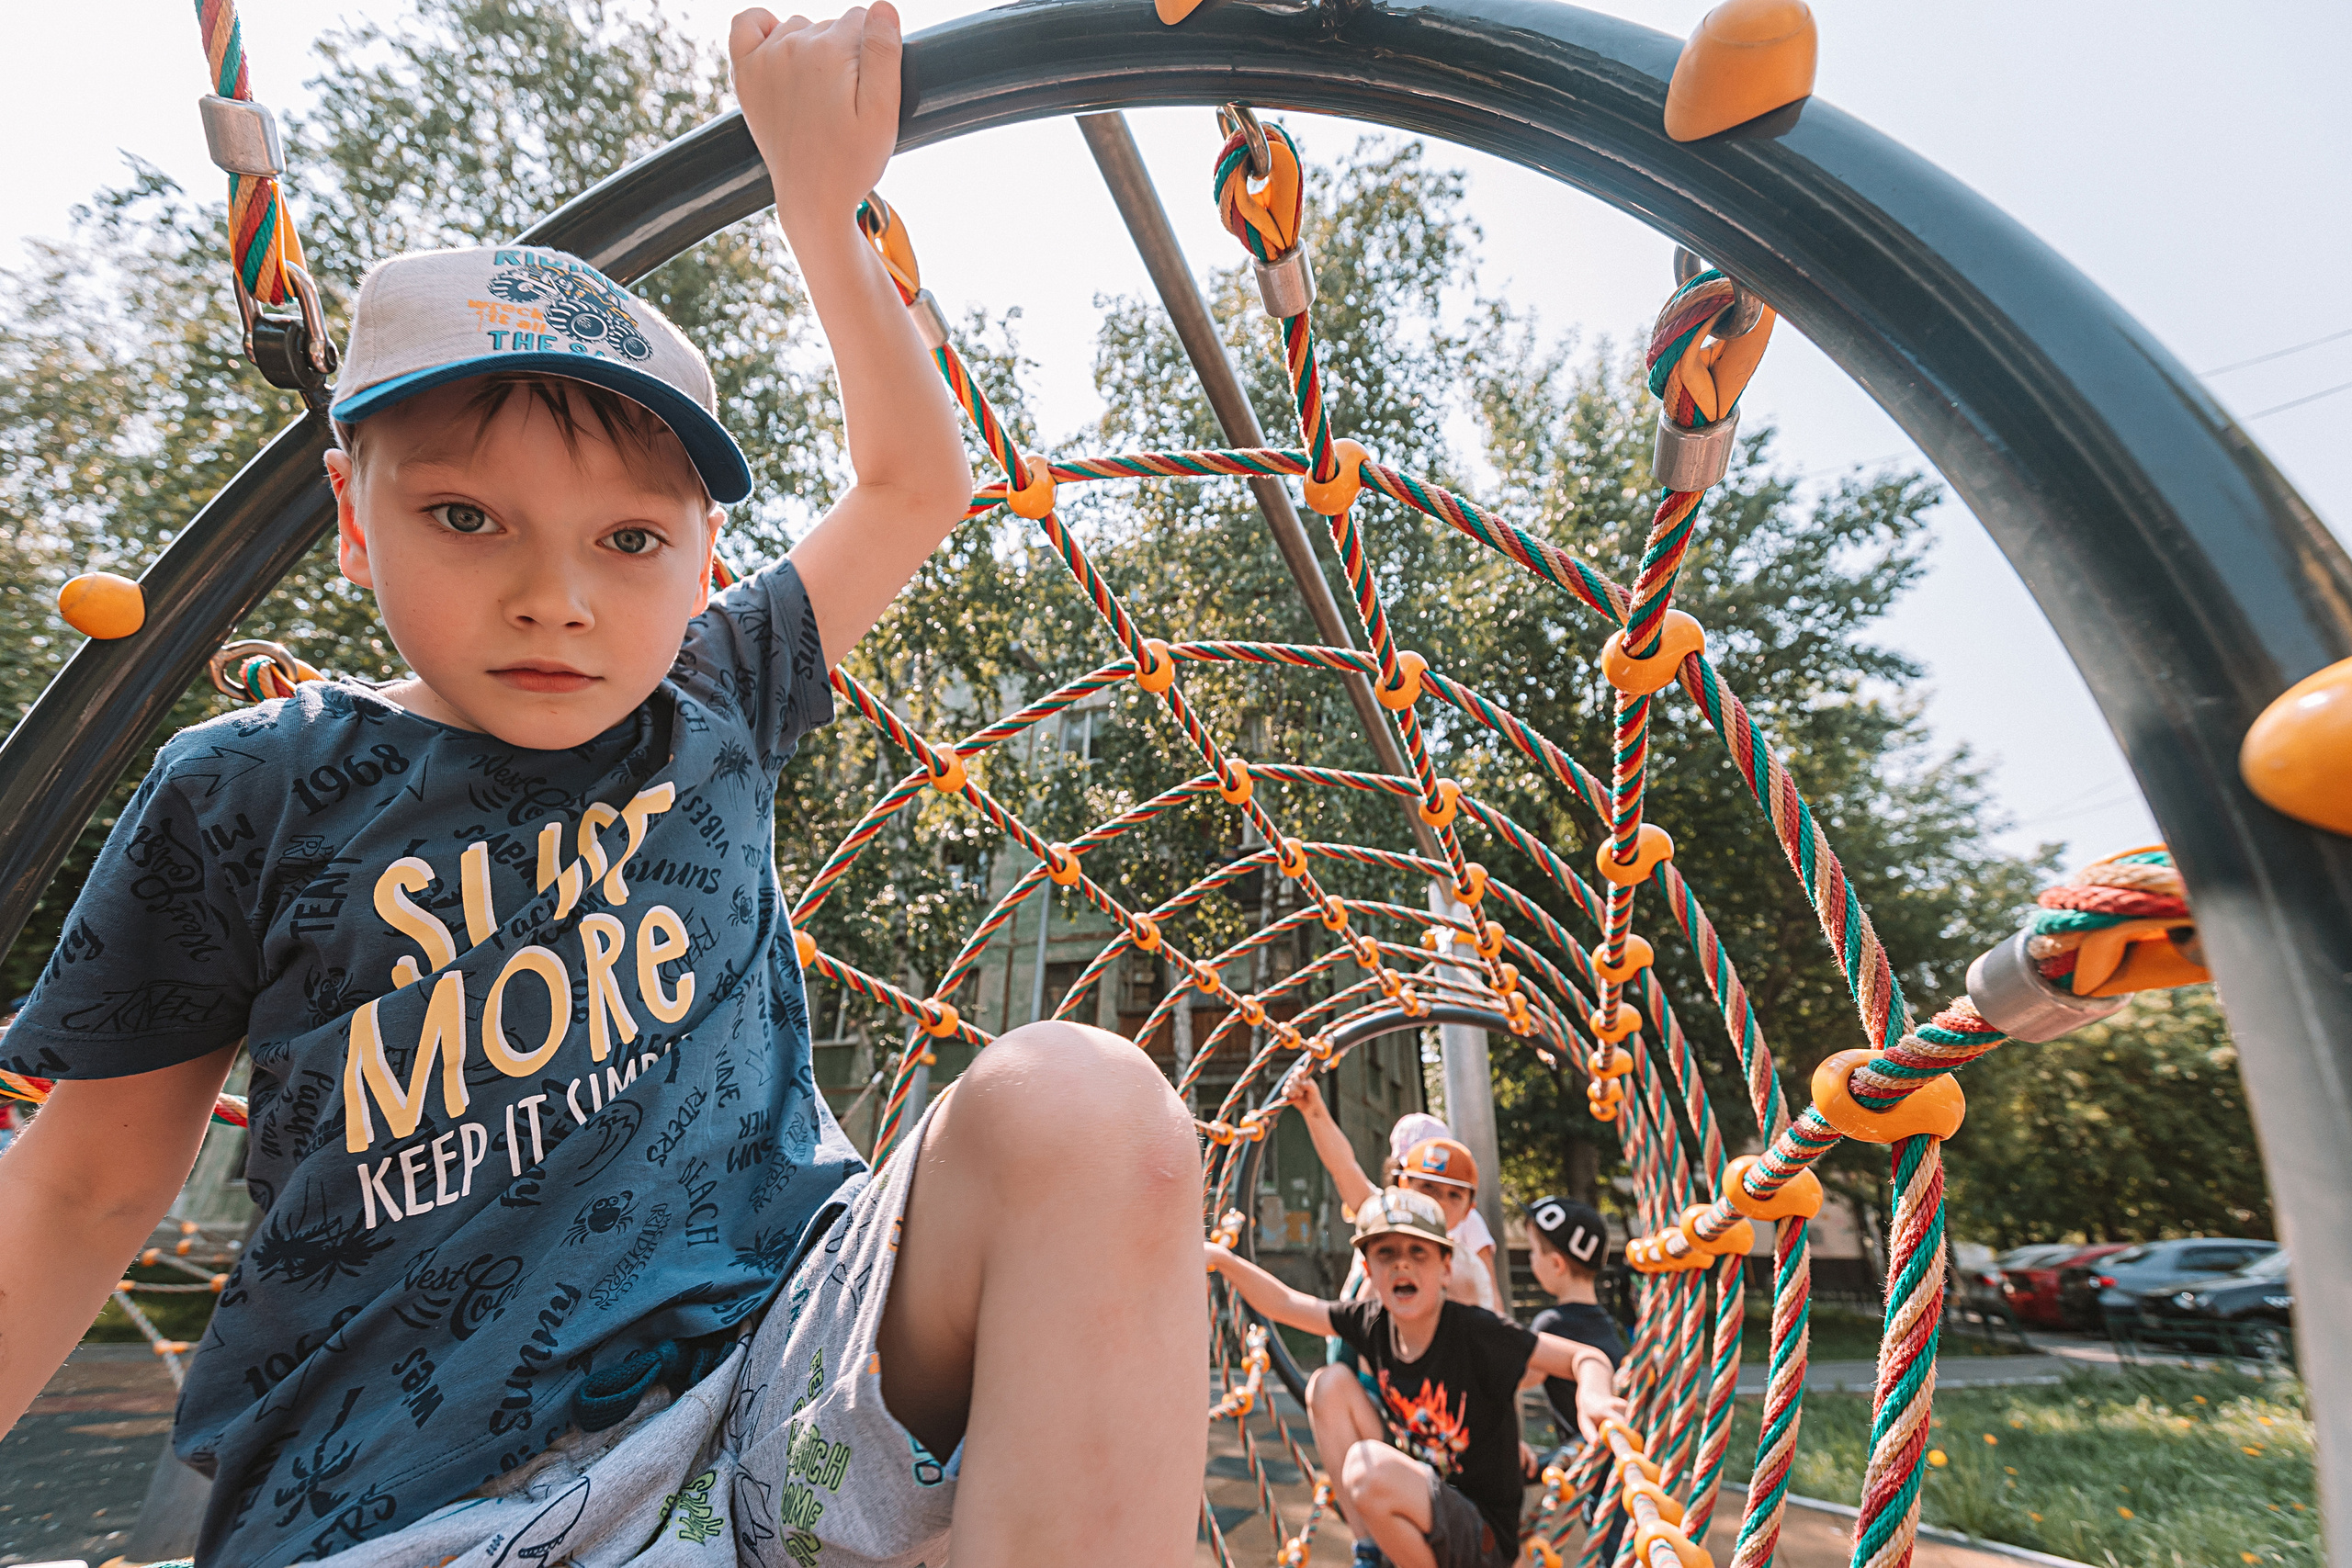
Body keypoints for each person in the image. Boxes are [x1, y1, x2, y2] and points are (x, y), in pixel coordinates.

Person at [0, 9, 1207, 1566]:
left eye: (630, 540)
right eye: (467, 516)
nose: (556, 596)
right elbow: (87, 1187)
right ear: (354, 522)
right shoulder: (254, 786)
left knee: (1085, 1103)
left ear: (704, 553)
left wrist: (818, 202)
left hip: (774, 1394)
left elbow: (918, 480)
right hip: (410, 1492)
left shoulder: (718, 684)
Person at [1209, 1188, 1623, 1568]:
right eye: (1386, 1253)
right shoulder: (1372, 1322)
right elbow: (1286, 1303)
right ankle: (1370, 1550)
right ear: (1369, 1270)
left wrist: (1593, 1396)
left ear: (1446, 1268)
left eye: (1418, 1253)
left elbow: (1584, 1357)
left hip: (1481, 1535)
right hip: (1418, 1498)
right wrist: (1224, 1261)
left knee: (1365, 1471)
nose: (1402, 1262)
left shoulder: (1475, 1332)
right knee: (1329, 1383)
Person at [1283, 1076, 1502, 1313]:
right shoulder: (1381, 1211)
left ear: (1468, 1207)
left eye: (1454, 1193)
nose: (1439, 1200)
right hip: (1368, 1333)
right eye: (1427, 1185)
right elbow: (1343, 1166)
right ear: (1402, 1178)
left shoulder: (1466, 1246)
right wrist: (1313, 1110)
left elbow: (1490, 1301)